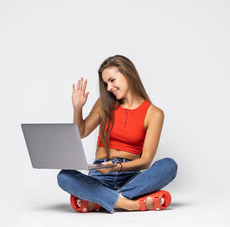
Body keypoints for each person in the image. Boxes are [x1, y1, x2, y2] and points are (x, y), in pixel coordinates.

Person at [57, 55, 178, 213]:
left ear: (128, 74)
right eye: (106, 83)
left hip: (130, 177)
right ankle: (130, 203)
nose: (108, 88)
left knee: (169, 165)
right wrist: (77, 108)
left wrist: (117, 167)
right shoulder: (104, 103)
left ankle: (101, 199)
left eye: (112, 80)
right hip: (99, 175)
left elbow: (146, 161)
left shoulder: (154, 113)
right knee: (64, 176)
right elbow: (81, 132)